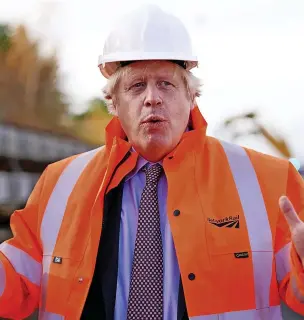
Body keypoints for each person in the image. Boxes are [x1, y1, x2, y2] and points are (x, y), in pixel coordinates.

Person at [0, 4, 304, 320]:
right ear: (113, 102)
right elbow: (15, 287)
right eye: (136, 85)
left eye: (166, 84)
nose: (152, 98)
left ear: (191, 97)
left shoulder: (271, 181)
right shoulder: (59, 183)